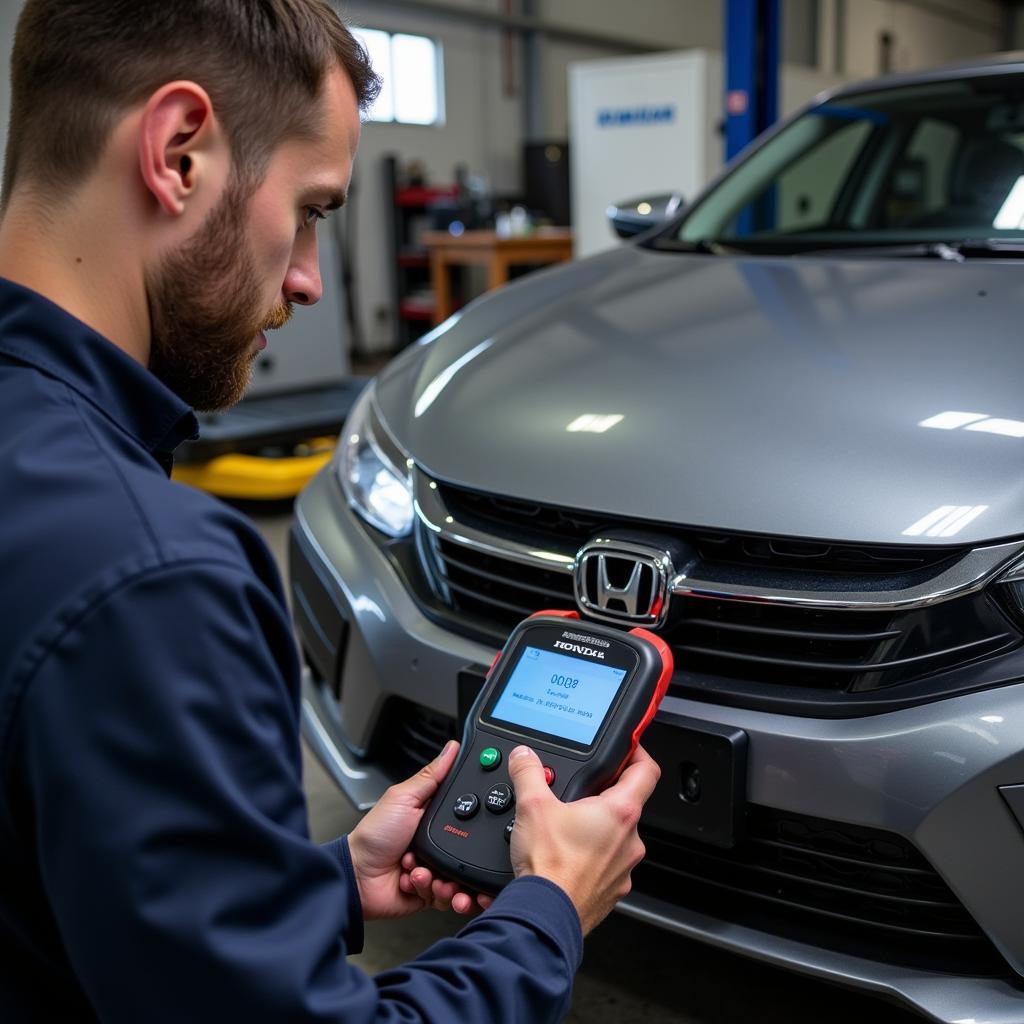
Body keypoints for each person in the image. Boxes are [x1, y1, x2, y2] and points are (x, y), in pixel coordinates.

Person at [0, 2, 662, 1022]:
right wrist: (544, 910)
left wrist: (319, 884)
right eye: (310, 208)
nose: (308, 277)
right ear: (179, 154)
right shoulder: (153, 576)